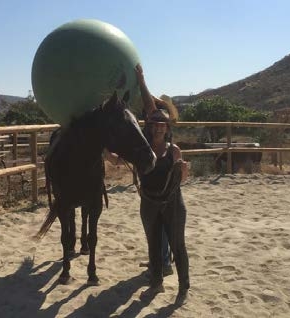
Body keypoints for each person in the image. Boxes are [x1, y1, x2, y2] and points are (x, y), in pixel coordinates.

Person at [105, 65, 190, 305]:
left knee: (178, 246)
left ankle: (183, 288)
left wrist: (183, 172)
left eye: (163, 124)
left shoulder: (174, 150)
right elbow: (116, 161)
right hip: (149, 203)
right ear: (150, 126)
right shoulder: (141, 151)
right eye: (155, 124)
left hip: (173, 204)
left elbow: (180, 181)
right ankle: (156, 282)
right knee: (153, 244)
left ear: (167, 128)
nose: (159, 126)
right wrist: (104, 151)